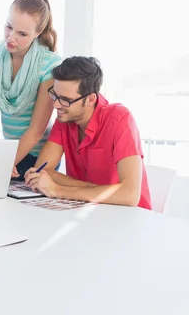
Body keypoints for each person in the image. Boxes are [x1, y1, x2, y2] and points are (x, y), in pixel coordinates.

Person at [25, 56, 152, 209]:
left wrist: (58, 189)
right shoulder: (65, 117)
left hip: (126, 215)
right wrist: (94, 189)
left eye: (65, 99)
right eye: (55, 95)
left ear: (91, 99)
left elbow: (129, 195)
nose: (56, 104)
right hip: (86, 208)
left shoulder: (120, 119)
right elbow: (43, 170)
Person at [0, 0, 62, 180]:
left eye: (22, 34)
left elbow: (37, 129)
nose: (11, 37)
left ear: (38, 33)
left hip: (39, 157)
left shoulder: (49, 64)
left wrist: (7, 162)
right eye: (9, 27)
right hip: (7, 154)